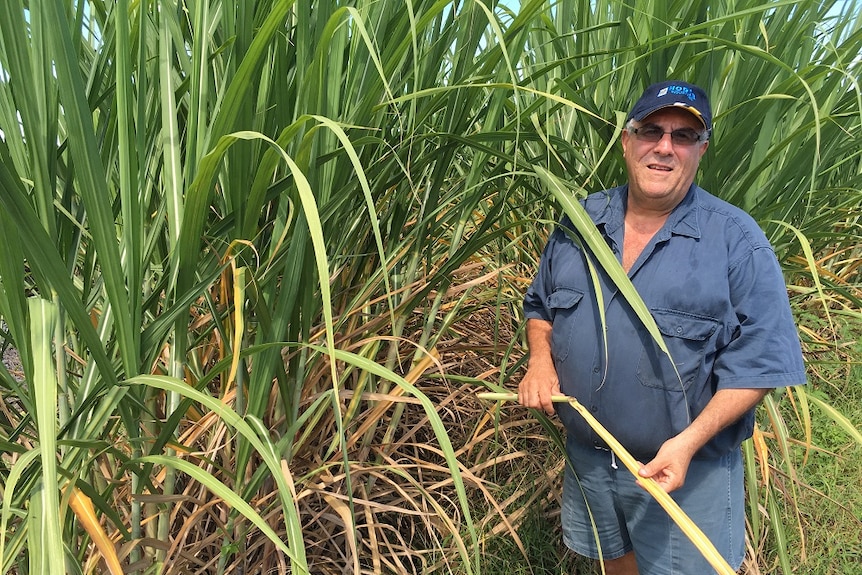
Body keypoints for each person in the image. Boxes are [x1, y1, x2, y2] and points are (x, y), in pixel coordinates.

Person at [518, 80, 806, 575]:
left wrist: (688, 442)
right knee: (616, 565)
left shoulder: (736, 241)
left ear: (702, 149)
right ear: (627, 140)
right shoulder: (579, 222)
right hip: (591, 461)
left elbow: (761, 363)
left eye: (684, 136)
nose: (664, 147)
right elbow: (540, 305)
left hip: (685, 471)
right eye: (651, 130)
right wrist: (539, 361)